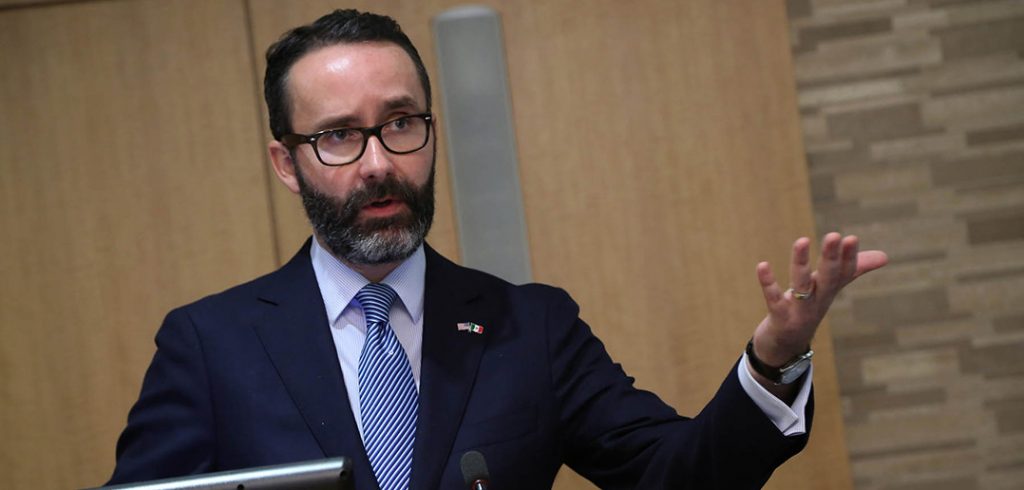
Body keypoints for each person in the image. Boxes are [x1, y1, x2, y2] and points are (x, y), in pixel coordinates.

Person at [107, 9, 888, 490]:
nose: (379, 162)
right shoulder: (210, 345)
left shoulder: (531, 330)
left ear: (431, 131)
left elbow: (679, 475)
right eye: (340, 135)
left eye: (401, 122)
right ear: (287, 162)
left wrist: (772, 362)